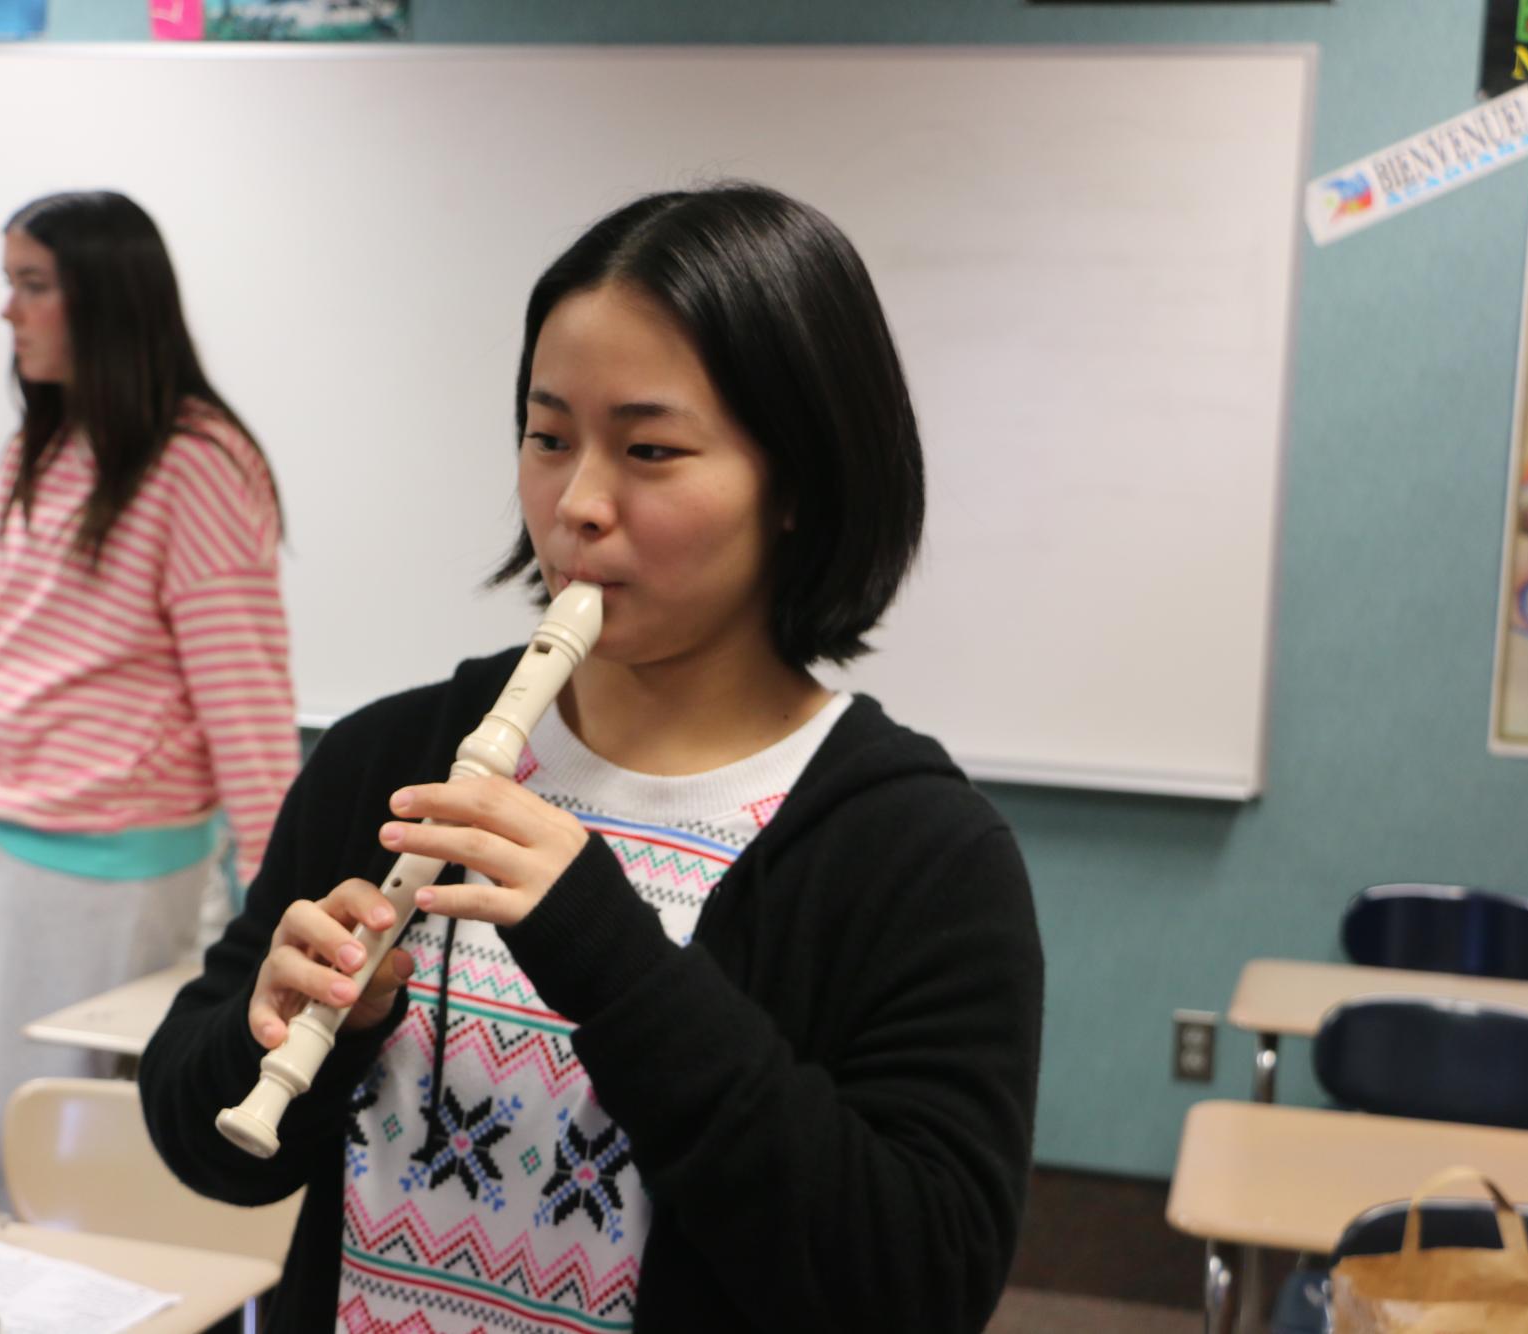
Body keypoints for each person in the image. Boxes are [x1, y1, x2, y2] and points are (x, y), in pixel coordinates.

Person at [139, 183, 1043, 1333]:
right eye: (548, 435)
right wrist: (278, 1028)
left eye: (650, 449)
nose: (577, 504)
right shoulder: (396, 757)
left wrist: (613, 960)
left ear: (800, 484)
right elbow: (204, 1142)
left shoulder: (918, 851)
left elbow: (915, 1283)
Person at [0, 190, 298, 1214]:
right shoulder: (41, 444)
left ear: (104, 301)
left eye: (32, 287)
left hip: (104, 854)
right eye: (8, 285)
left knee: (35, 1139)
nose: (8, 312)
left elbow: (245, 696)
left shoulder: (197, 463)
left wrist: (275, 882)